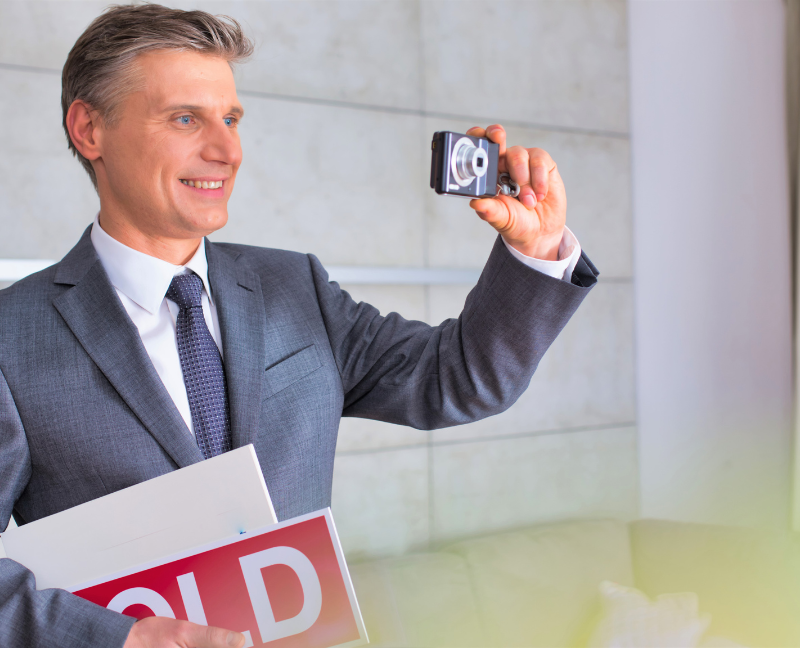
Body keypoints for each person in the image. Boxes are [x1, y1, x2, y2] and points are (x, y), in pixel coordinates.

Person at [0, 4, 598, 648]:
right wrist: (123, 639)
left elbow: (458, 380)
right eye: (184, 119)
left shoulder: (295, 287)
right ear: (90, 129)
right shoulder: (13, 337)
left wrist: (534, 252)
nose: (226, 150)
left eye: (231, 119)